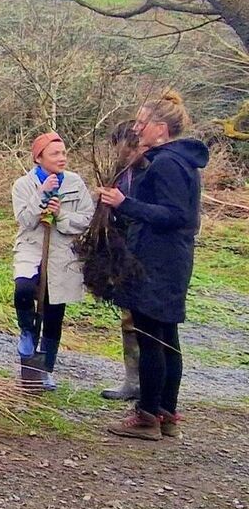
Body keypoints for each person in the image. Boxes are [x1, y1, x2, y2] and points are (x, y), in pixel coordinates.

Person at [100, 91, 208, 441]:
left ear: (160, 128)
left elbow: (177, 215)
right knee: (167, 337)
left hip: (157, 262)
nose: (136, 127)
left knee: (150, 338)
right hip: (171, 260)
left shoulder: (166, 163)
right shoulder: (179, 161)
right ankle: (166, 414)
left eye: (141, 122)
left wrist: (124, 202)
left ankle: (147, 416)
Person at [11, 132, 95, 391]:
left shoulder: (74, 183)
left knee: (54, 311)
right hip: (32, 249)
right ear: (39, 158)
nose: (62, 158)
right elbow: (25, 220)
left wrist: (61, 215)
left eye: (63, 153)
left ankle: (44, 370)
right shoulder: (23, 185)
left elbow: (87, 218)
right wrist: (42, 195)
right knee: (24, 289)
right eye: (55, 153)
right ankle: (26, 332)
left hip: (62, 253)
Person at [100, 120, 147, 401]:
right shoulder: (120, 174)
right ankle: (133, 380)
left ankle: (152, 388)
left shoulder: (150, 171)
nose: (121, 154)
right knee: (128, 319)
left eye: (125, 148)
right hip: (125, 253)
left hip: (149, 254)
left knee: (149, 321)